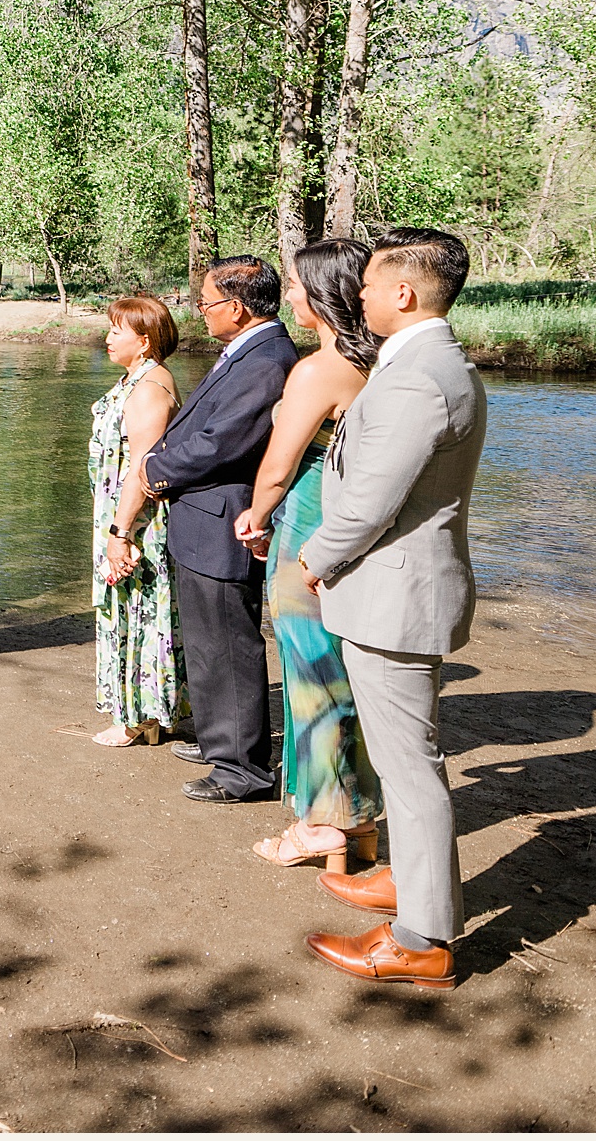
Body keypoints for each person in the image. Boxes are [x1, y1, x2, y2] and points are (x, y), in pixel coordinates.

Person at [295, 227, 487, 991]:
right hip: (392, 590)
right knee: (406, 757)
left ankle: (422, 939)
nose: (362, 297)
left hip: (395, 594)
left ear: (404, 294)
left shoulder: (417, 377)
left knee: (411, 768)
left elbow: (374, 497)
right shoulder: (423, 363)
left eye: (371, 286)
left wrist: (316, 557)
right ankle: (408, 879)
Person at [233, 240, 383, 870]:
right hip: (351, 522)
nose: (288, 294)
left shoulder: (319, 369)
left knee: (311, 678)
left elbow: (280, 462)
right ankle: (360, 818)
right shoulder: (377, 360)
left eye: (296, 284)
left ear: (323, 292)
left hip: (308, 521)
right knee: (346, 677)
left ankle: (322, 823)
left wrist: (256, 516)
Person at [139, 256, 298, 804]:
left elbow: (224, 441)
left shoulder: (267, 360)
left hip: (224, 518)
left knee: (228, 644)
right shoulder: (249, 352)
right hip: (204, 518)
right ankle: (218, 742)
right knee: (208, 641)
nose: (200, 313)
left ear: (235, 307)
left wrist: (156, 469)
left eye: (205, 303)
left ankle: (242, 770)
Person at [85, 293, 186, 747]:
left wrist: (120, 533)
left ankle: (131, 719)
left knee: (131, 611)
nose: (107, 338)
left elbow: (143, 469)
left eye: (116, 331)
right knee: (136, 609)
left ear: (143, 342)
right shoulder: (141, 379)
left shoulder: (148, 389)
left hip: (135, 521)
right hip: (122, 516)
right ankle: (151, 714)